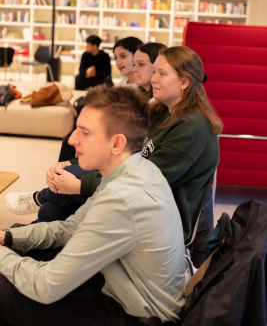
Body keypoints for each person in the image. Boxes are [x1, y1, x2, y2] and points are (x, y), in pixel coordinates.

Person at [6, 46, 222, 267]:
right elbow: (118, 149)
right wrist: (72, 163)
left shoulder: (193, 128)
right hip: (132, 198)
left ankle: (21, 241)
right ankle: (19, 244)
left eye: (161, 73)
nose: (153, 78)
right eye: (154, 71)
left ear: (184, 82)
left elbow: (143, 182)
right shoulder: (163, 111)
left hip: (153, 217)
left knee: (64, 197)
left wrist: (80, 185)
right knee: (55, 206)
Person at [0, 85, 186, 326]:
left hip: (135, 317)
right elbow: (70, 229)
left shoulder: (123, 199)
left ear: (117, 144)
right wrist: (8, 237)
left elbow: (46, 286)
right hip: (122, 287)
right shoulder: (133, 170)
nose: (72, 139)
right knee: (21, 248)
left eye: (84, 132)